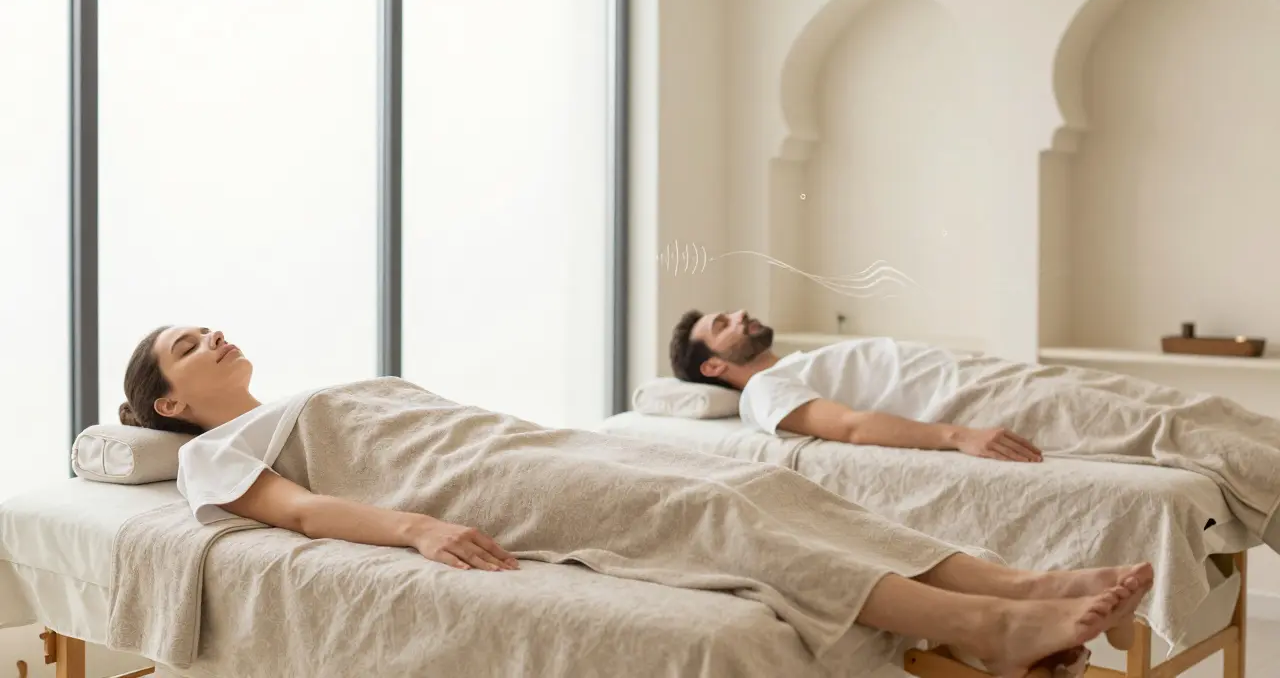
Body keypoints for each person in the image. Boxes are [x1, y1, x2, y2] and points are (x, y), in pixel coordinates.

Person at [119, 324, 1155, 677]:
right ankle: (980, 627)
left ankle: (1011, 581)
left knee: (749, 476)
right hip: (477, 484)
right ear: (168, 401)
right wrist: (417, 527)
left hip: (515, 442)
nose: (211, 337)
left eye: (209, 326)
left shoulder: (305, 392)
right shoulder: (215, 454)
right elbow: (300, 514)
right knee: (716, 518)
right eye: (184, 345)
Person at [668, 308, 1045, 461]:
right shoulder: (764, 391)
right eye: (722, 325)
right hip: (985, 400)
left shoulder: (791, 369)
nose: (739, 315)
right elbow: (852, 427)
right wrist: (960, 436)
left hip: (990, 377)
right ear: (713, 366)